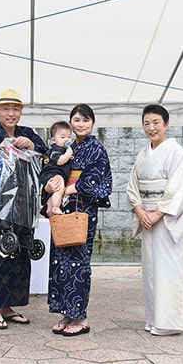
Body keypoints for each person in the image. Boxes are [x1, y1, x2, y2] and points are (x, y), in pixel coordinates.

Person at [0, 88, 48, 329]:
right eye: (6, 109)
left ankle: (8, 306)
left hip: (23, 208)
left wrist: (32, 144)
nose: (11, 114)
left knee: (19, 258)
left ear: (21, 111)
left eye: (15, 109)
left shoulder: (27, 133)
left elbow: (47, 158)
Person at [126, 104, 183, 336]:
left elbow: (180, 187)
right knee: (150, 270)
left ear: (166, 124)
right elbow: (132, 184)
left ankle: (170, 322)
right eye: (146, 123)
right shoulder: (142, 153)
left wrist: (158, 213)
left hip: (166, 219)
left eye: (156, 122)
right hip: (146, 216)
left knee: (168, 268)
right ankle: (153, 318)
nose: (151, 127)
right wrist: (139, 210)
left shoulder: (175, 151)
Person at [46, 104, 112, 336]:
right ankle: (67, 312)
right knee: (62, 262)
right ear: (70, 123)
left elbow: (95, 181)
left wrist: (66, 190)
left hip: (82, 209)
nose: (80, 124)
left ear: (92, 123)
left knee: (78, 263)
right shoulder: (69, 146)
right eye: (76, 120)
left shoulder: (96, 149)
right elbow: (54, 169)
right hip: (63, 209)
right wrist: (52, 189)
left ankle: (81, 317)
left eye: (85, 120)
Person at [40, 121, 73, 217]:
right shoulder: (55, 150)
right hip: (52, 173)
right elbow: (59, 161)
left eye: (69, 137)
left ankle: (50, 206)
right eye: (63, 137)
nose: (66, 139)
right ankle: (55, 207)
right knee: (59, 185)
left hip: (57, 173)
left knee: (57, 190)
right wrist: (68, 154)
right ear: (54, 140)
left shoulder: (63, 149)